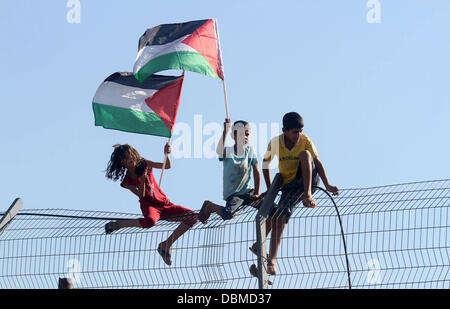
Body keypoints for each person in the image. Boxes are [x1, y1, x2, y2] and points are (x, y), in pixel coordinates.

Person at [256, 112, 340, 276]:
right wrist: (269, 189)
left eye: (300, 130)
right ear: (285, 131)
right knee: (279, 218)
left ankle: (307, 196)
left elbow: (317, 162)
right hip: (289, 186)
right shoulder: (275, 143)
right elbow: (265, 164)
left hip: (307, 180)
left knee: (305, 154)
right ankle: (271, 262)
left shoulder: (305, 141)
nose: (298, 135)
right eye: (295, 132)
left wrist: (327, 184)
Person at [103, 143, 198, 266]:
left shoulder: (144, 163)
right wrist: (142, 178)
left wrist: (166, 154)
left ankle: (166, 245)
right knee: (149, 221)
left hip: (164, 203)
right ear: (122, 163)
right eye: (126, 158)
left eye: (131, 156)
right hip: (150, 206)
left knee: (193, 217)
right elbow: (141, 196)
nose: (130, 159)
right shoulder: (127, 181)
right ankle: (119, 224)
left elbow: (167, 166)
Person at [198, 119, 261, 224]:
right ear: (234, 136)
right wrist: (225, 130)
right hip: (234, 194)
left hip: (248, 192)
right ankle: (210, 206)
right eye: (241, 134)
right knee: (228, 214)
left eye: (247, 134)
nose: (245, 137)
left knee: (271, 208)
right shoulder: (228, 151)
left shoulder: (250, 151)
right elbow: (219, 151)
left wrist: (257, 193)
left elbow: (256, 172)